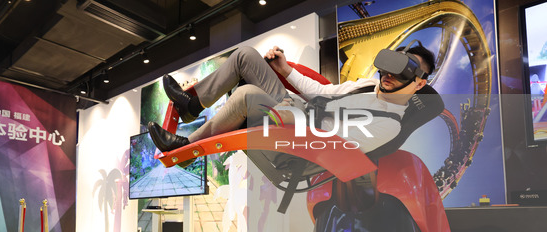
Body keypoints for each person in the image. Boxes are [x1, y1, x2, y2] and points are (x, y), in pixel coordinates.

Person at [148, 43, 435, 154]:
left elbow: (341, 144)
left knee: (247, 94)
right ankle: (191, 106)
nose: (389, 75)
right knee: (245, 54)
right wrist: (284, 69)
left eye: (403, 72)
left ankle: (184, 150)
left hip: (305, 128)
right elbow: (323, 92)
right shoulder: (369, 84)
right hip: (299, 106)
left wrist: (300, 119)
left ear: (419, 83)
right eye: (394, 64)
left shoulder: (390, 124)